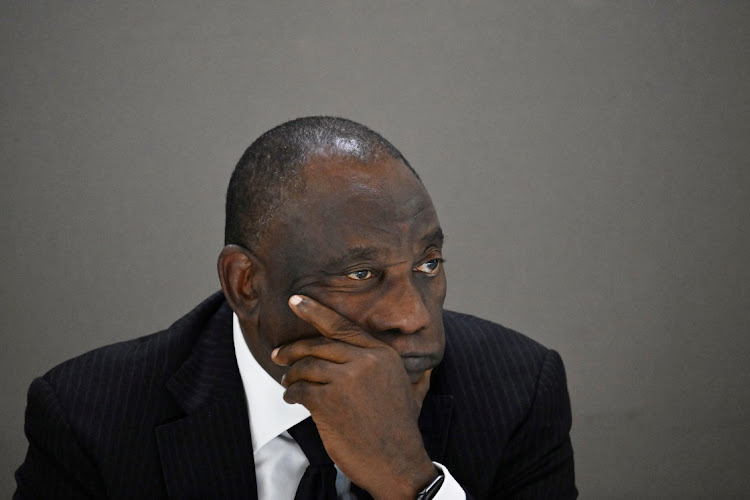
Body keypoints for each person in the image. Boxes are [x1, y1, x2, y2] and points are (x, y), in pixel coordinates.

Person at [14, 117, 576, 499]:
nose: (415, 317)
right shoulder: (91, 417)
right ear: (246, 283)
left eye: (428, 264)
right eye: (361, 274)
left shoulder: (516, 389)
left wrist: (411, 480)